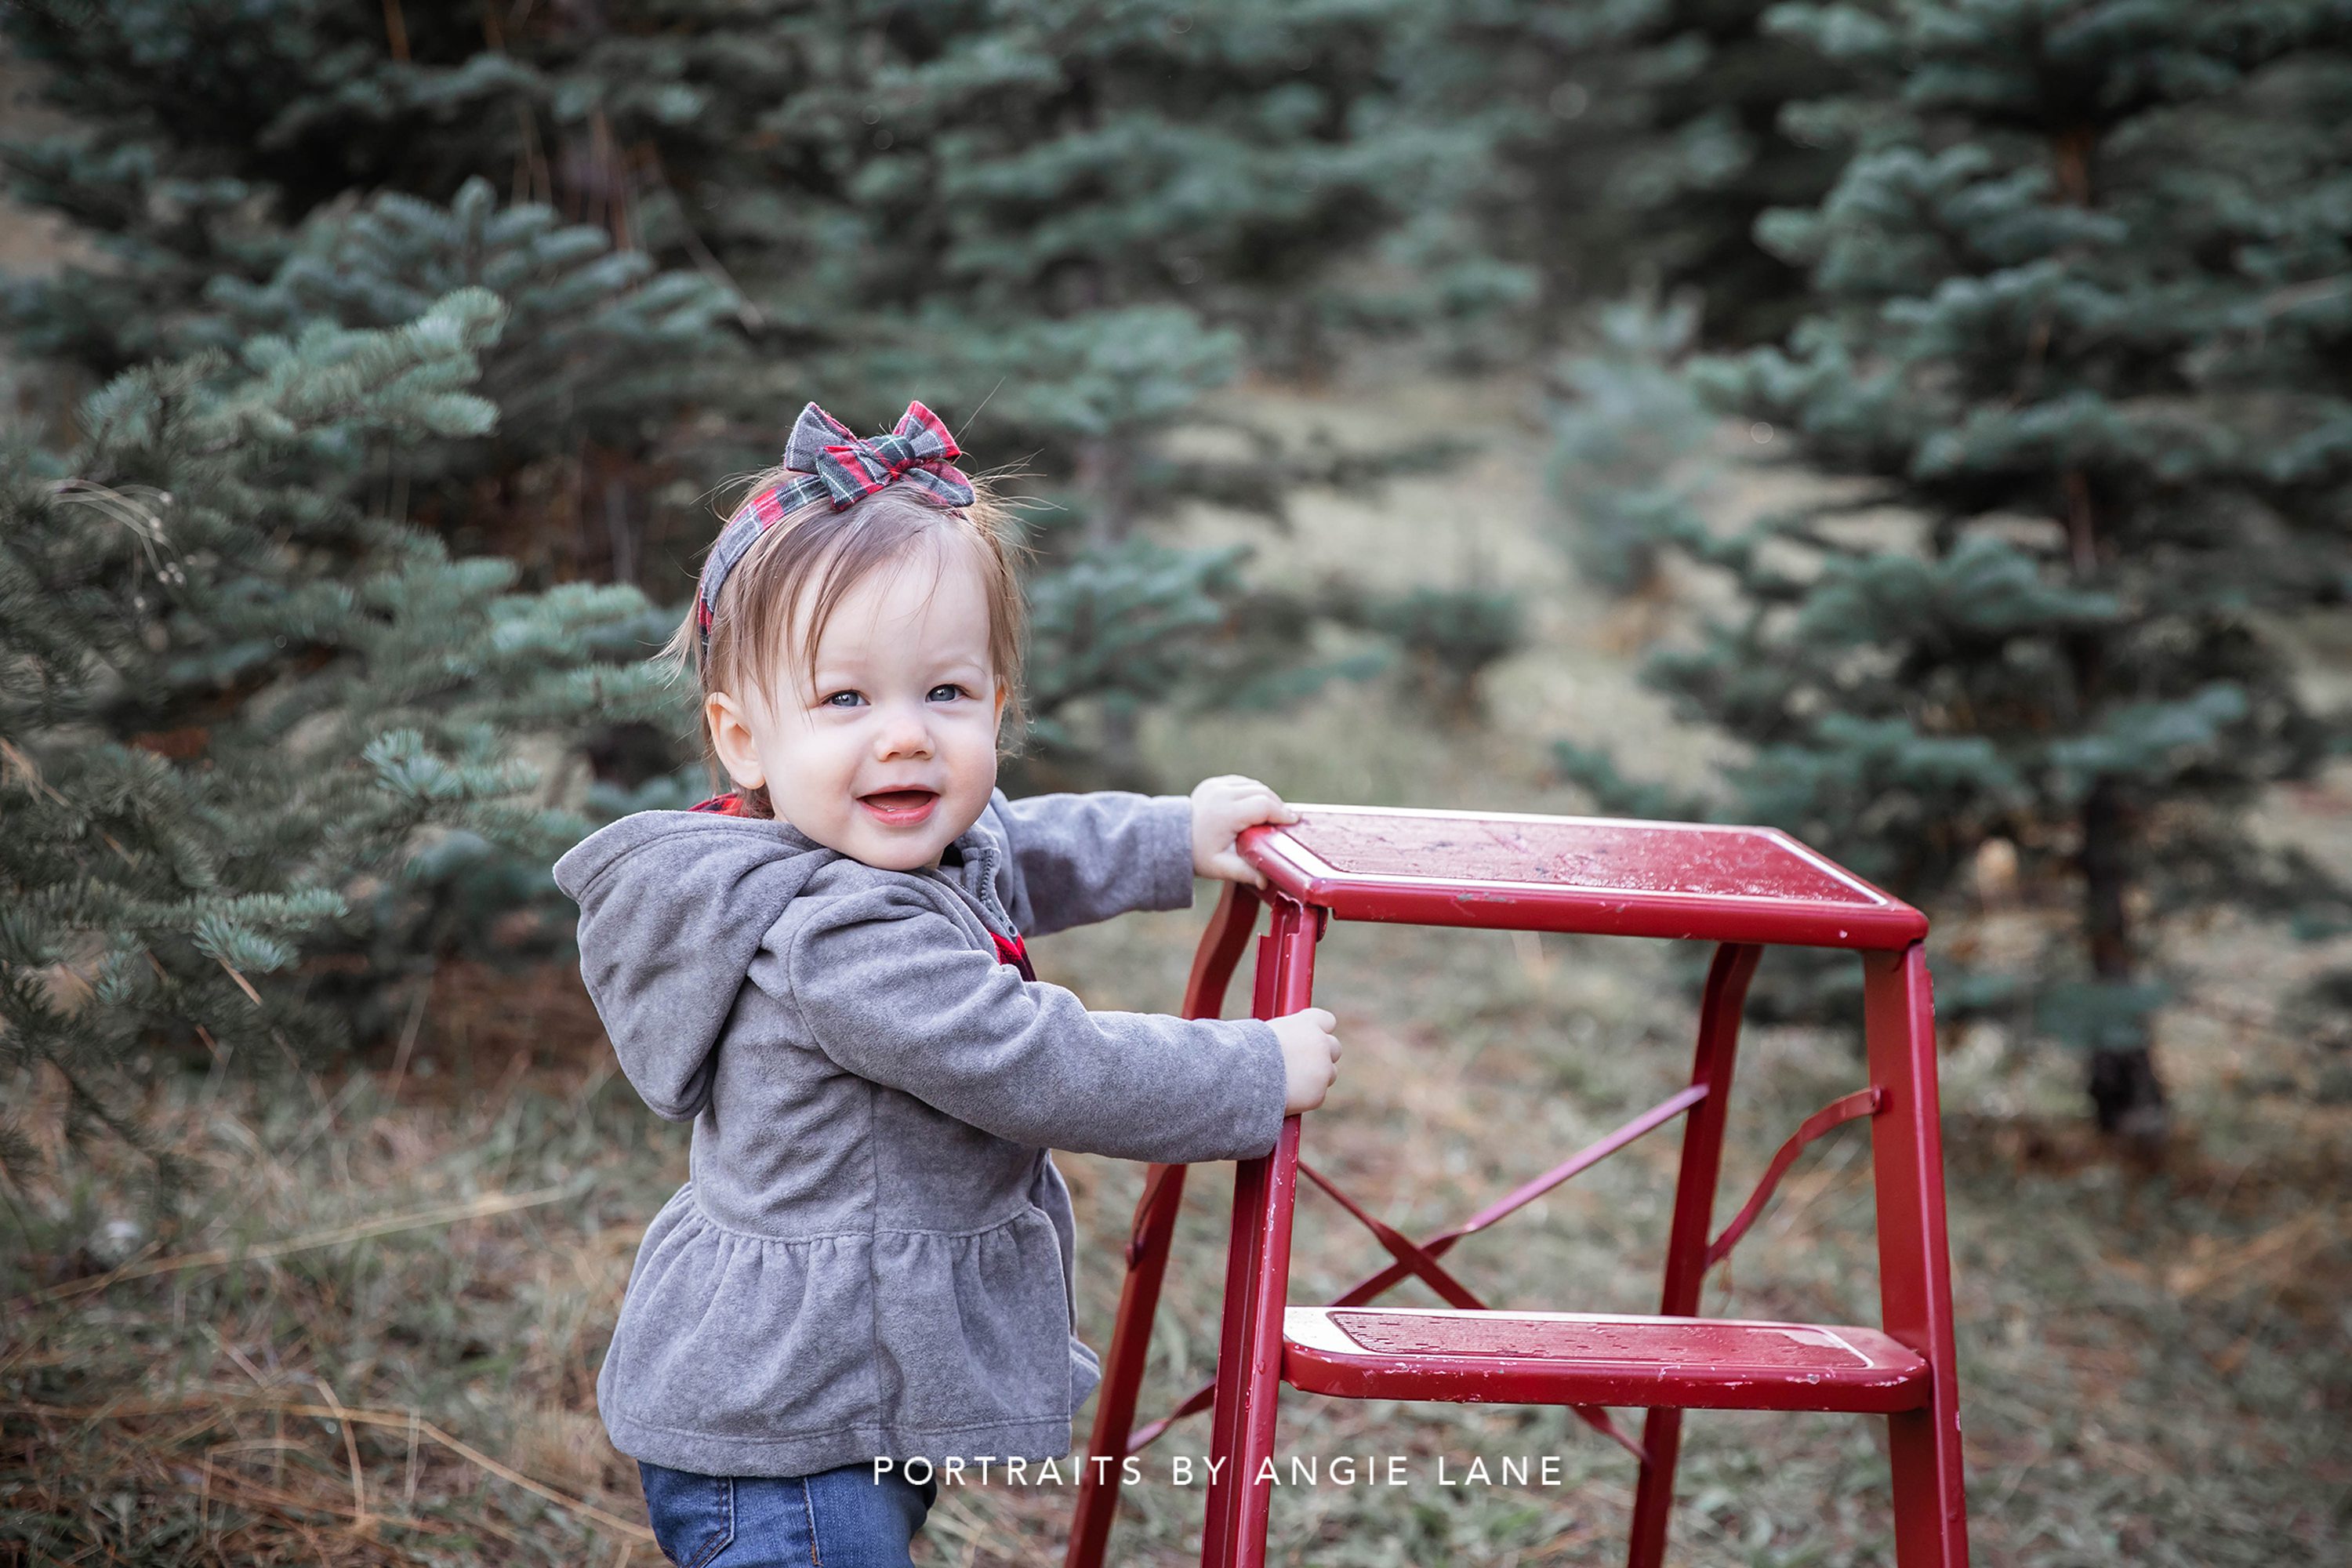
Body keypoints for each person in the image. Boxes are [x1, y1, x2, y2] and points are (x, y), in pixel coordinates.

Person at [552, 400, 1344, 1568]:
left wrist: (1173, 835)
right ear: (743, 740)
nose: (907, 738)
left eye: (947, 694)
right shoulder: (840, 938)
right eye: (845, 699)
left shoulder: (906, 850)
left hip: (850, 1385)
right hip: (785, 1427)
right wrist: (1248, 1068)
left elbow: (1022, 846)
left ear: (997, 706)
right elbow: (1035, 1062)